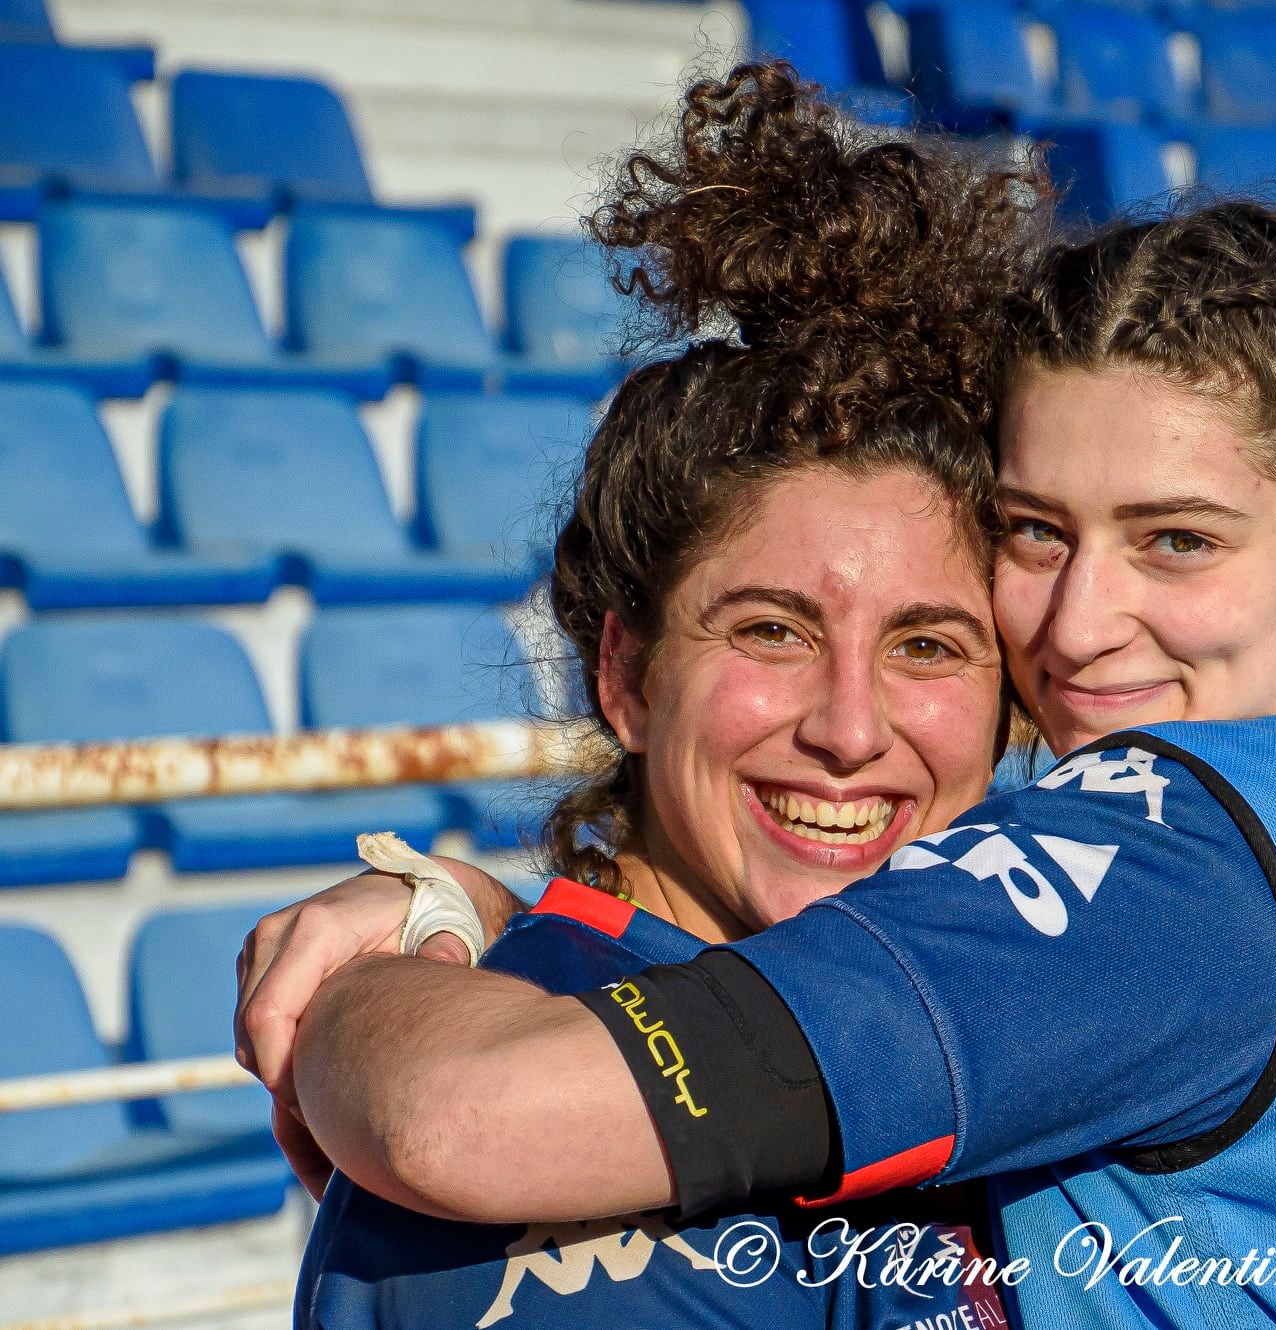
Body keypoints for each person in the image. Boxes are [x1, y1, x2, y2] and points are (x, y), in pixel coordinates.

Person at [242, 62, 1276, 1330]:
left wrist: (386, 973)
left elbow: (453, 1109)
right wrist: (476, 911)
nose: (1083, 623)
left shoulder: (1168, 861)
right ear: (624, 670)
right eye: (1038, 533)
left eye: (928, 644)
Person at [281, 62, 1049, 1329]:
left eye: (927, 647)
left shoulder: (974, 1005)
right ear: (627, 678)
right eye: (770, 630)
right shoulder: (517, 1131)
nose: (851, 730)